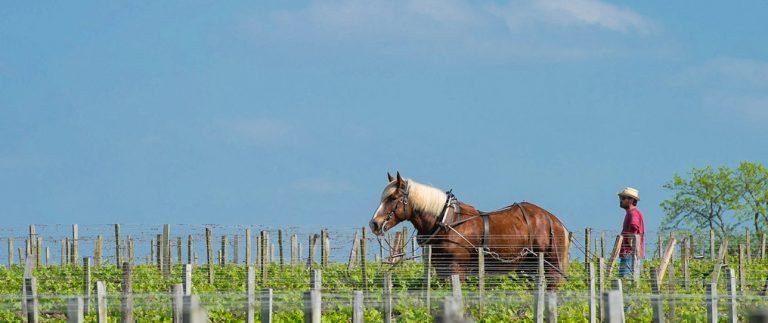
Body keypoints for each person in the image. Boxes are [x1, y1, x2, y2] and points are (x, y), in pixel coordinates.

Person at [618, 187, 645, 278]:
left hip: (629, 253)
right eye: (621, 198)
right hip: (629, 253)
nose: (621, 200)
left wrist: (630, 241)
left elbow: (634, 225)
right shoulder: (631, 213)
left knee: (625, 280)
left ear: (631, 200)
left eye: (623, 198)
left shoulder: (633, 213)